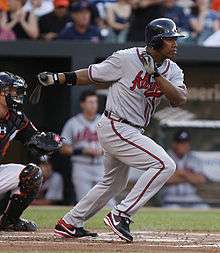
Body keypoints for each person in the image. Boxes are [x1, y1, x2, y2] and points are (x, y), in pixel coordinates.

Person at [38, 18, 187, 242]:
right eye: (170, 39)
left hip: (133, 130)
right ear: (156, 42)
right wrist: (60, 78)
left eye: (175, 39)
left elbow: (179, 99)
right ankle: (121, 214)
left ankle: (70, 222)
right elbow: (92, 73)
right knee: (165, 164)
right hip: (116, 124)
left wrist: (156, 75)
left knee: (113, 183)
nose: (175, 44)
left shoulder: (172, 69)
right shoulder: (126, 58)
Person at [0, 72, 62, 231]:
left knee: (33, 174)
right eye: (12, 90)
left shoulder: (16, 117)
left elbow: (34, 139)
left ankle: (9, 221)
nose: (16, 94)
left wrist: (48, 142)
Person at [61, 90, 104, 202]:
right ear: (82, 104)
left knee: (107, 201)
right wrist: (82, 150)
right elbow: (63, 148)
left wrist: (104, 150)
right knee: (85, 202)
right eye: (90, 102)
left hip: (101, 166)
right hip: (81, 166)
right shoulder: (73, 123)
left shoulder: (104, 121)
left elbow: (115, 143)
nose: (94, 105)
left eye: (95, 102)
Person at [162, 130, 208, 209]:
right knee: (172, 210)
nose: (185, 145)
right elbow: (164, 180)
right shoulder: (164, 157)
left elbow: (201, 180)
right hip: (170, 198)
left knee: (204, 208)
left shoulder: (194, 159)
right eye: (181, 143)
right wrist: (190, 177)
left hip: (191, 197)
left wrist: (181, 173)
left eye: (186, 142)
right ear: (174, 144)